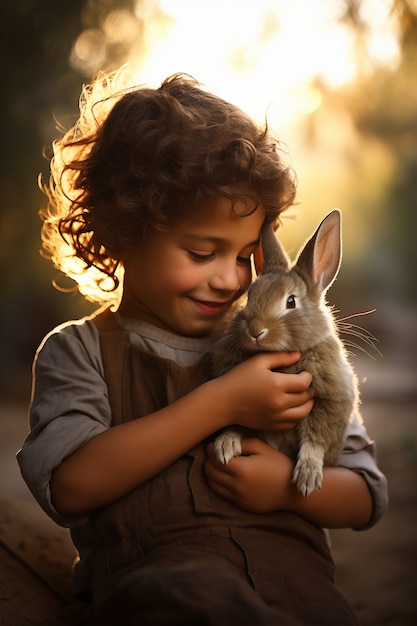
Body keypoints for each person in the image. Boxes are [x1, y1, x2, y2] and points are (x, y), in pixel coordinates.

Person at [17, 69, 388, 626]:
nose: (229, 279)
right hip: (160, 600)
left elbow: (363, 492)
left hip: (300, 602)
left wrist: (288, 493)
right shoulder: (79, 351)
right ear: (122, 233)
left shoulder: (286, 349)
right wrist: (222, 402)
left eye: (244, 257)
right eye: (201, 252)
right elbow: (71, 486)